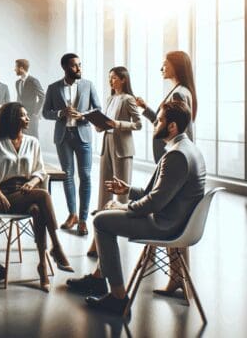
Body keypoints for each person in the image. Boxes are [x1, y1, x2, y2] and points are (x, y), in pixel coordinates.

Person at [67, 101, 205, 315]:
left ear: (172, 126)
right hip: (174, 219)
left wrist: (123, 206)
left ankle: (117, 297)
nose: (155, 124)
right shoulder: (187, 149)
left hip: (166, 226)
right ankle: (98, 278)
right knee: (109, 210)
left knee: (101, 221)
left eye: (159, 121)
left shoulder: (177, 156)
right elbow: (159, 194)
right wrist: (128, 190)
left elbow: (154, 203)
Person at [0, 102, 73, 292]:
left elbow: (40, 170)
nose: (28, 118)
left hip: (27, 193)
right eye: (24, 115)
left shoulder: (32, 142)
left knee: (39, 204)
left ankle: (45, 263)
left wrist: (32, 182)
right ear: (13, 119)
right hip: (2, 193)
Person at [134, 50, 198, 295]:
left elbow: (178, 130)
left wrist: (177, 157)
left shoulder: (180, 93)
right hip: (171, 158)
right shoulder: (180, 91)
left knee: (170, 215)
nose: (161, 68)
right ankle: (177, 277)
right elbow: (166, 124)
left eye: (165, 64)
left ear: (176, 66)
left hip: (173, 161)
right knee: (171, 214)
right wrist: (147, 109)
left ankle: (177, 277)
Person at [41, 53, 101, 236]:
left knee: (85, 176)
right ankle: (72, 215)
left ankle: (83, 220)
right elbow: (45, 112)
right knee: (67, 175)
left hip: (83, 135)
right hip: (63, 137)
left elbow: (97, 109)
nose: (79, 68)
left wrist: (82, 116)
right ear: (65, 67)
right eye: (75, 65)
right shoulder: (53, 88)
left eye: (79, 65)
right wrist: (60, 113)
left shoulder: (88, 85)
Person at [86, 67, 142, 257]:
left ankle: (115, 236)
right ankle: (97, 240)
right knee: (104, 193)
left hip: (122, 148)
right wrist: (99, 125)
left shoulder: (128, 99)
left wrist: (117, 124)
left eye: (114, 78)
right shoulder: (109, 99)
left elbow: (138, 124)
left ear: (123, 79)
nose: (111, 81)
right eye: (109, 78)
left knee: (121, 195)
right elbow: (105, 124)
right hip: (107, 144)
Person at [14, 59, 45, 138]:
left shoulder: (33, 81)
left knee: (34, 138)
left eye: (16, 67)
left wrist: (36, 112)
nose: (14, 69)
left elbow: (42, 97)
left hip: (32, 115)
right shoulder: (17, 83)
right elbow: (19, 98)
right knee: (22, 138)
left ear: (21, 68)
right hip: (20, 116)